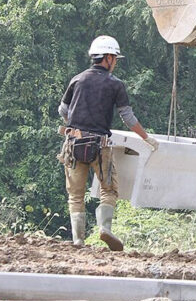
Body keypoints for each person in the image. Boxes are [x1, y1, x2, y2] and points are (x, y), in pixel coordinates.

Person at [58, 35, 158, 250]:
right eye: (115, 58)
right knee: (108, 189)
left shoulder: (77, 79)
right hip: (99, 147)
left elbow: (63, 110)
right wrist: (146, 138)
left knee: (75, 195)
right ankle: (105, 229)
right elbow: (127, 118)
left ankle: (78, 240)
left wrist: (75, 127)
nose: (115, 63)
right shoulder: (115, 84)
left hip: (74, 145)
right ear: (109, 58)